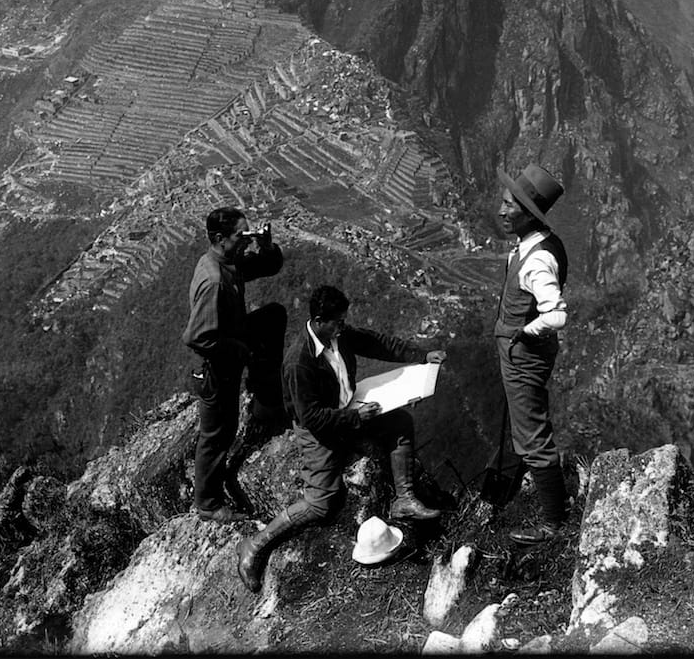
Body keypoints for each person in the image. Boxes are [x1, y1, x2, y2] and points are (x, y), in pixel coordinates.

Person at [235, 285, 447, 592]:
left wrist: (422, 355)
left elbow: (376, 343)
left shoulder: (337, 335)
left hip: (349, 406)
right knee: (320, 501)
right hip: (322, 427)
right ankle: (255, 544)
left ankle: (404, 498)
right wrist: (355, 418)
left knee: (399, 421)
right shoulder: (299, 361)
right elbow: (311, 418)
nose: (342, 327)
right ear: (319, 320)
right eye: (337, 321)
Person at [182, 207, 286, 523]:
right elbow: (197, 337)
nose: (246, 239)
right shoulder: (214, 279)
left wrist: (265, 246)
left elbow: (269, 267)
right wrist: (242, 350)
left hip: (231, 338)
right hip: (215, 363)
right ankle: (208, 504)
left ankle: (266, 403)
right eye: (240, 235)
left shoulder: (227, 262)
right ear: (219, 238)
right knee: (218, 432)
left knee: (272, 317)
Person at [493, 164, 569, 544]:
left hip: (523, 355)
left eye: (510, 206)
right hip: (519, 354)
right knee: (525, 426)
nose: (502, 211)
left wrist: (524, 331)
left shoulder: (537, 259)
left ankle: (553, 523)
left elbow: (555, 313)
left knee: (532, 435)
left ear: (528, 212)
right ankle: (540, 497)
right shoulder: (534, 246)